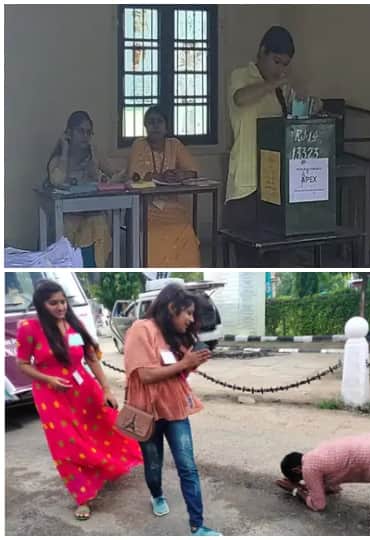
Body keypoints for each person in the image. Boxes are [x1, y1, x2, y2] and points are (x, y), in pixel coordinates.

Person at [15, 279, 142, 521]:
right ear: (41, 304)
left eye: (63, 302)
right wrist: (48, 379)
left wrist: (106, 389)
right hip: (51, 395)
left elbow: (91, 358)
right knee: (67, 443)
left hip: (83, 387)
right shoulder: (29, 328)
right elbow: (22, 364)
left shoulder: (73, 325)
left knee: (102, 428)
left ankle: (103, 469)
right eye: (53, 303)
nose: (61, 307)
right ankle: (82, 496)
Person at [122, 284, 221, 536]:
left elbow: (177, 376)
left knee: (188, 467)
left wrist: (192, 363)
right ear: (171, 308)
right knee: (154, 465)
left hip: (175, 409)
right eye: (188, 313)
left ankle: (197, 526)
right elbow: (145, 375)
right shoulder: (141, 329)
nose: (191, 319)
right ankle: (156, 495)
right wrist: (184, 363)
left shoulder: (176, 335)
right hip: (147, 412)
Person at [226, 26, 296, 231]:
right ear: (262, 51)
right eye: (276, 61)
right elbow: (240, 98)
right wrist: (271, 84)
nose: (279, 69)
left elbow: (293, 115)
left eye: (285, 64)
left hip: (273, 181)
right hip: (245, 182)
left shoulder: (282, 89)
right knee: (244, 242)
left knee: (271, 243)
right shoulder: (241, 75)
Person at [46, 111, 126, 267]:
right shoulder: (59, 157)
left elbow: (114, 173)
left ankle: (97, 267)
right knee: (68, 228)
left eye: (89, 132)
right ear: (69, 133)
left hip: (92, 212)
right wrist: (65, 152)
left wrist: (110, 178)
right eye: (81, 131)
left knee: (99, 224)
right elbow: (56, 180)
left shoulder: (93, 153)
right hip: (68, 215)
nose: (85, 136)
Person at [127, 106, 202, 267]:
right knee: (153, 234)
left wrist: (179, 174)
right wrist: (157, 177)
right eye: (151, 122)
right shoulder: (139, 144)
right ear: (145, 126)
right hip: (145, 208)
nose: (155, 126)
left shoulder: (174, 144)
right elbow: (134, 175)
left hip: (172, 207)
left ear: (166, 126)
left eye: (159, 121)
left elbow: (193, 172)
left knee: (185, 231)